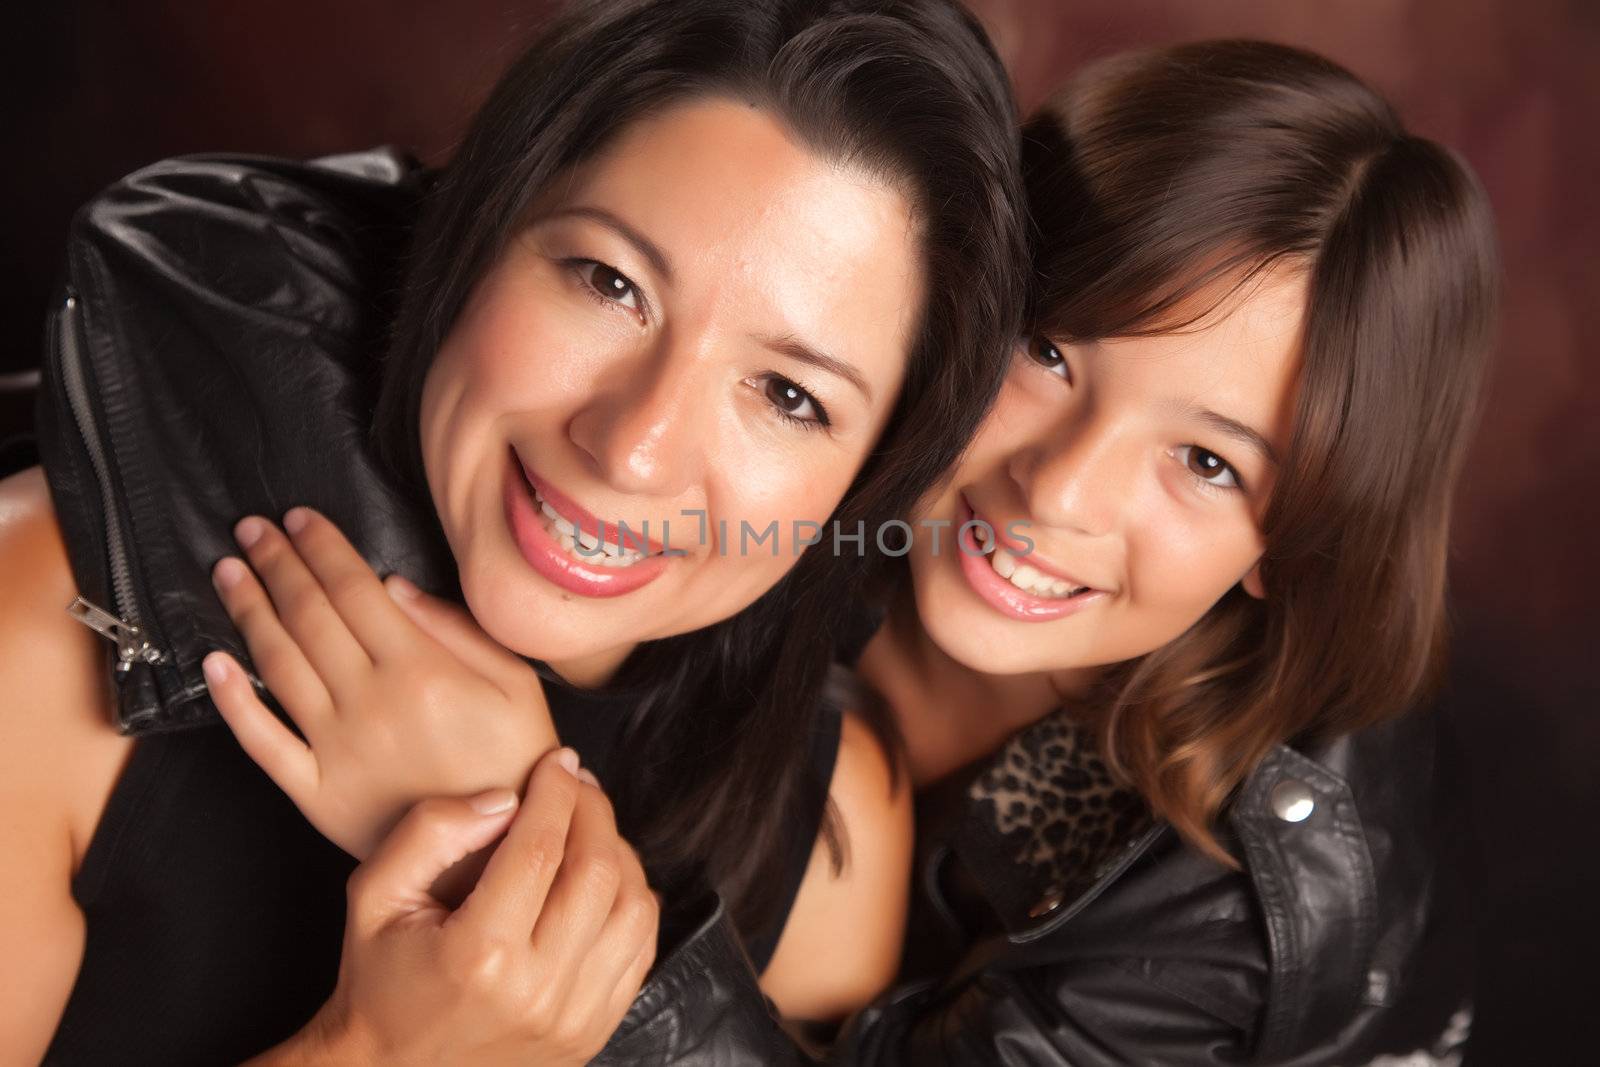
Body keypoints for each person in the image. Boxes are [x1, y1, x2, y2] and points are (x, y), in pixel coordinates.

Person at [0, 1, 1027, 1062]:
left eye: (787, 394)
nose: (632, 447)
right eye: (608, 283)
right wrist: (378, 1048)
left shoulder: (823, 832)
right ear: (480, 228)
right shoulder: (38, 625)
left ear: (865, 480)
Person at [491, 38, 1493, 1064]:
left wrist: (497, 825)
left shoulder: (1239, 919)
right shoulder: (794, 449)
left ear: (1294, 541)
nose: (1058, 487)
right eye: (1049, 350)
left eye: (1203, 460)